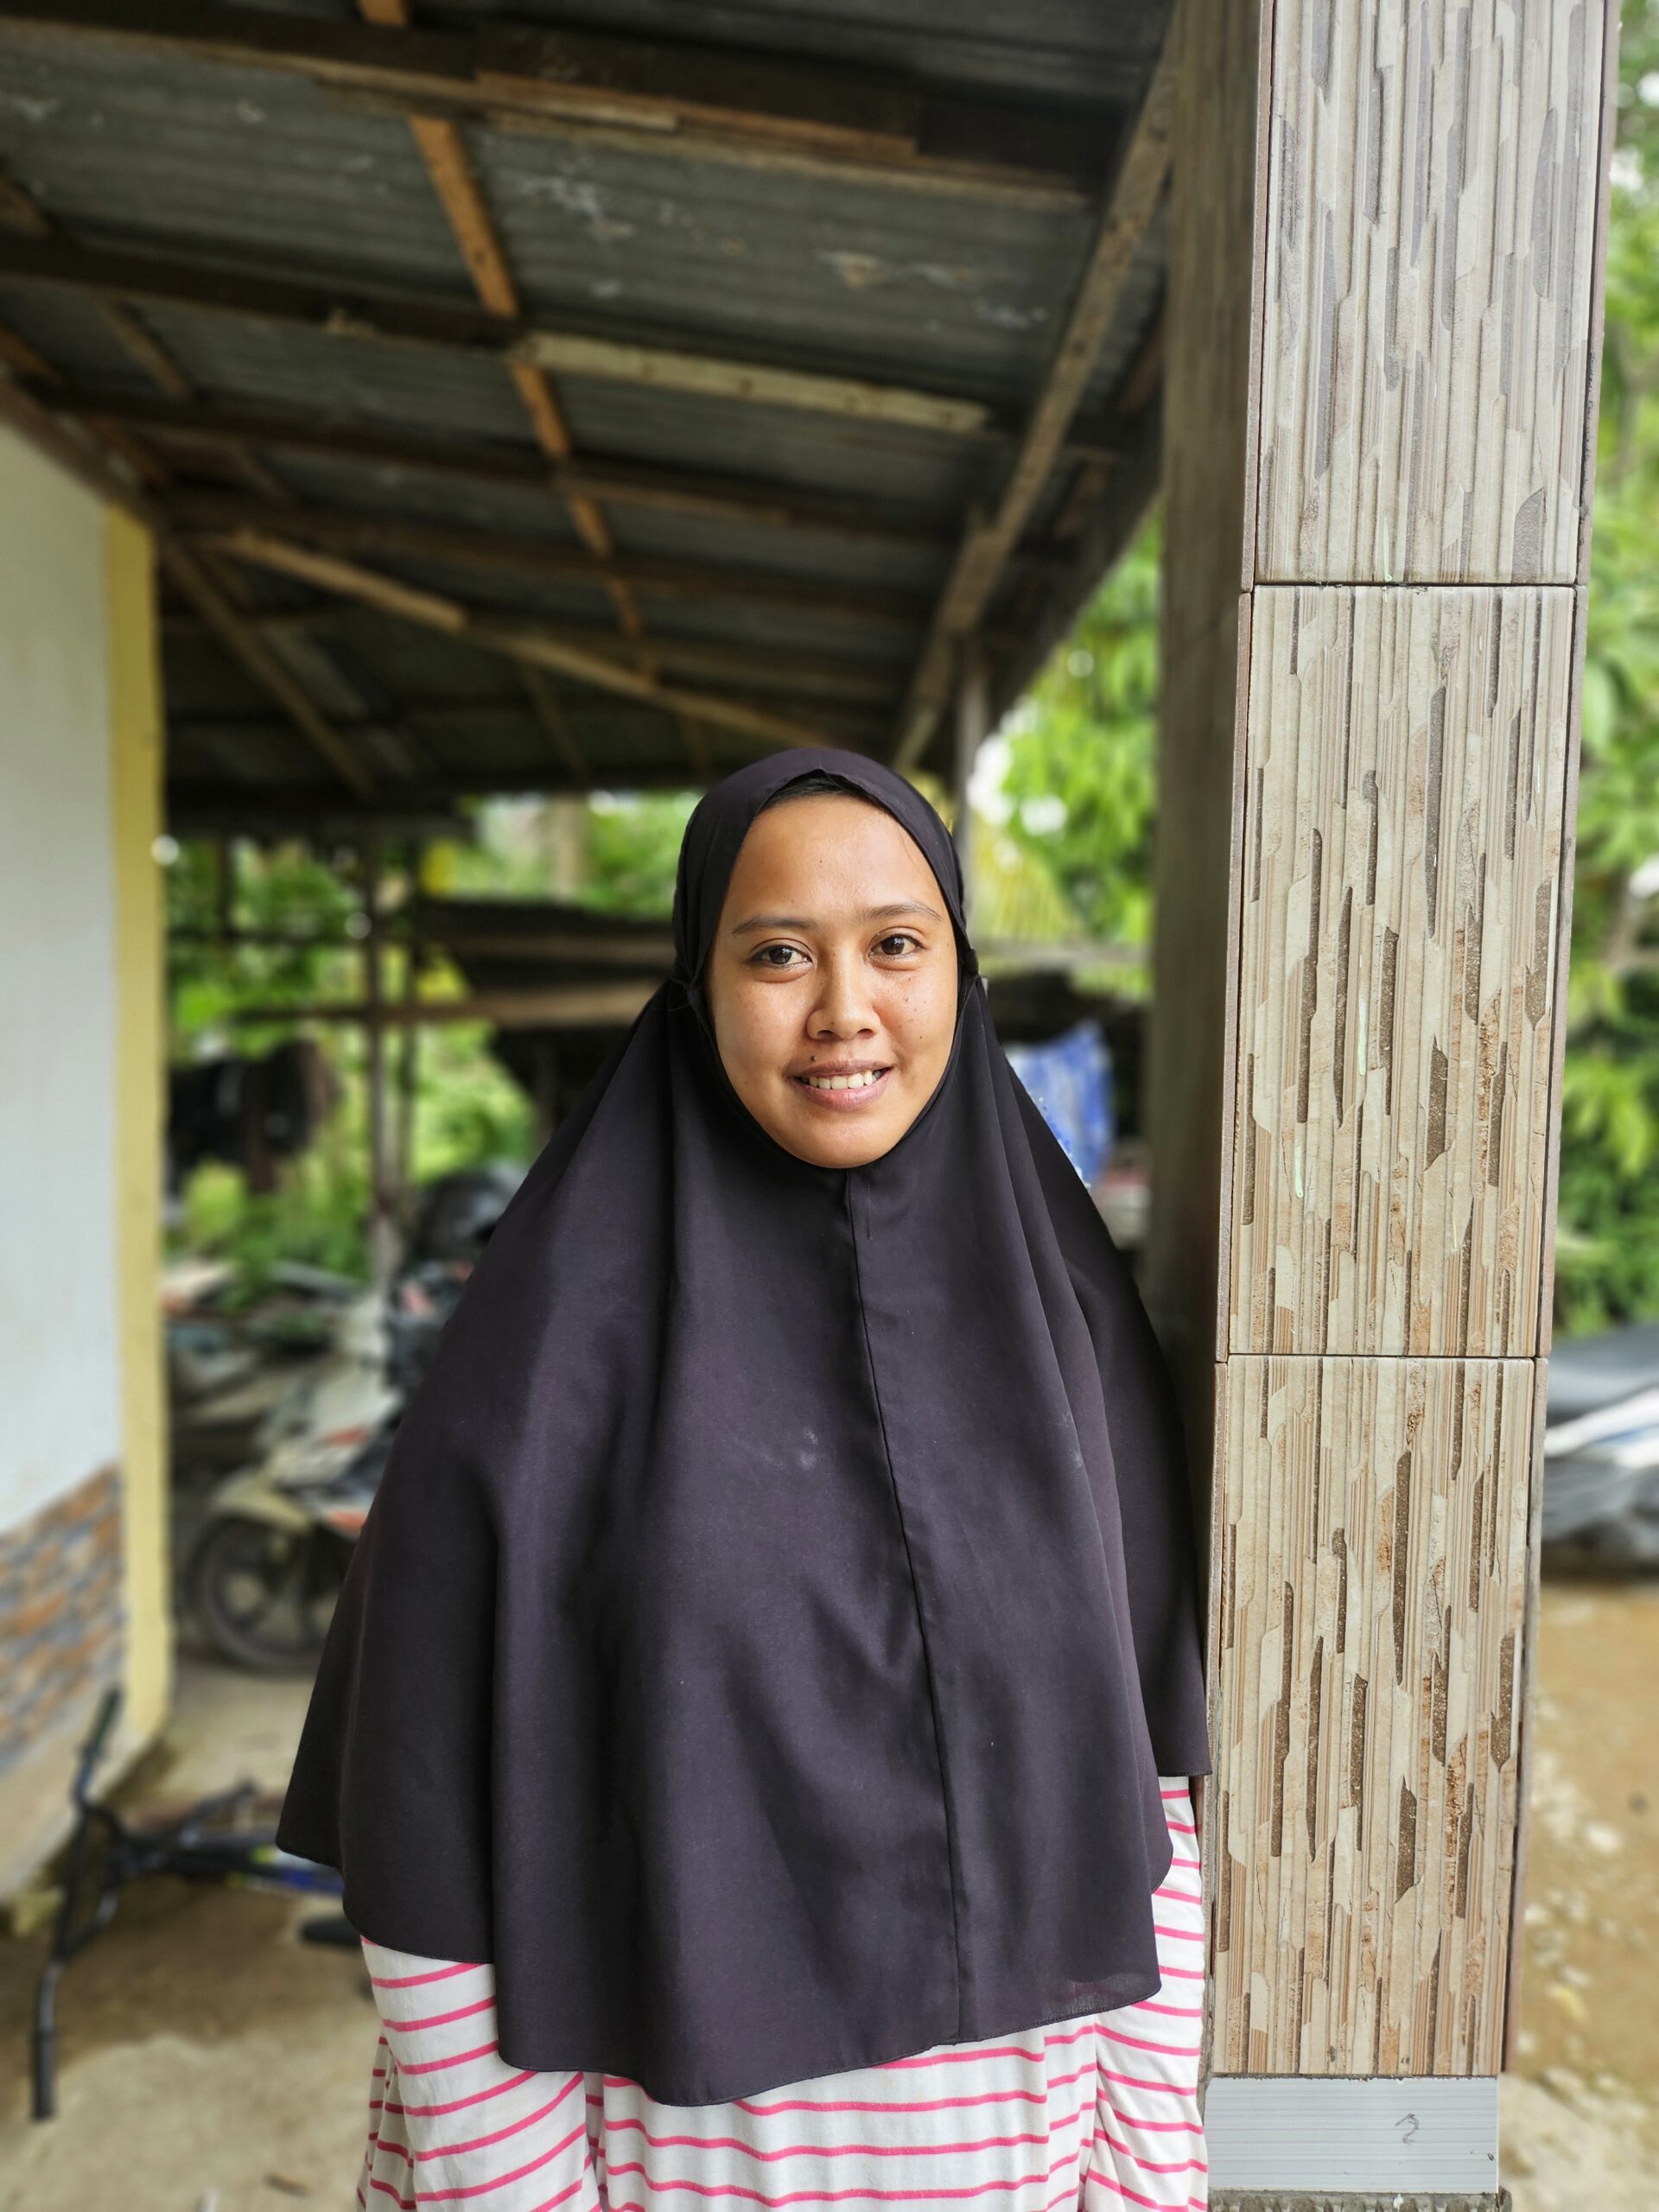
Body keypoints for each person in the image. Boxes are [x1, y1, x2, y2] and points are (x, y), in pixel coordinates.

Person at [276, 752, 1213, 2210]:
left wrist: (1147, 2187)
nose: (846, 1008)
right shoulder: (543, 1360)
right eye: (778, 953)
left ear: (958, 975)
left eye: (897, 945)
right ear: (696, 981)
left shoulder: (1067, 1337)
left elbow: (1157, 1804)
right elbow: (430, 1850)